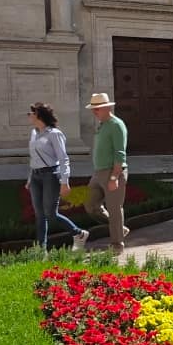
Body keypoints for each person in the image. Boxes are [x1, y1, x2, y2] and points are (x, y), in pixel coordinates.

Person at [26, 102, 89, 252]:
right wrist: (30, 179)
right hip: (35, 176)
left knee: (50, 214)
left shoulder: (54, 134)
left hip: (51, 175)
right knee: (39, 215)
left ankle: (78, 233)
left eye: (31, 113)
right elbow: (34, 158)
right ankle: (41, 250)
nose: (29, 115)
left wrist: (64, 181)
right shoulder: (34, 133)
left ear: (39, 115)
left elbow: (63, 158)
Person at [84, 92, 129, 253]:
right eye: (93, 109)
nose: (94, 112)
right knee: (90, 205)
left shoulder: (116, 125)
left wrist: (114, 177)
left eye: (97, 109)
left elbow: (120, 153)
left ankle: (117, 245)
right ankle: (120, 228)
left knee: (115, 209)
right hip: (98, 173)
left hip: (112, 172)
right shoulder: (102, 125)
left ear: (107, 108)